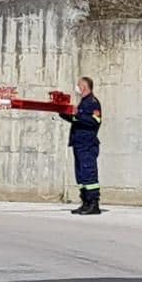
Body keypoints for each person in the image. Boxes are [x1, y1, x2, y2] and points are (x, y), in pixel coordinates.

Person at [59, 77, 102, 215]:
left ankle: (93, 203)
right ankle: (85, 202)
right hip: (79, 144)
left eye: (79, 85)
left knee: (89, 173)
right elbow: (75, 119)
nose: (77, 87)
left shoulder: (92, 103)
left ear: (84, 87)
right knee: (81, 175)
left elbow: (94, 121)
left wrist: (79, 113)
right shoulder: (83, 102)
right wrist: (63, 112)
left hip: (87, 144)